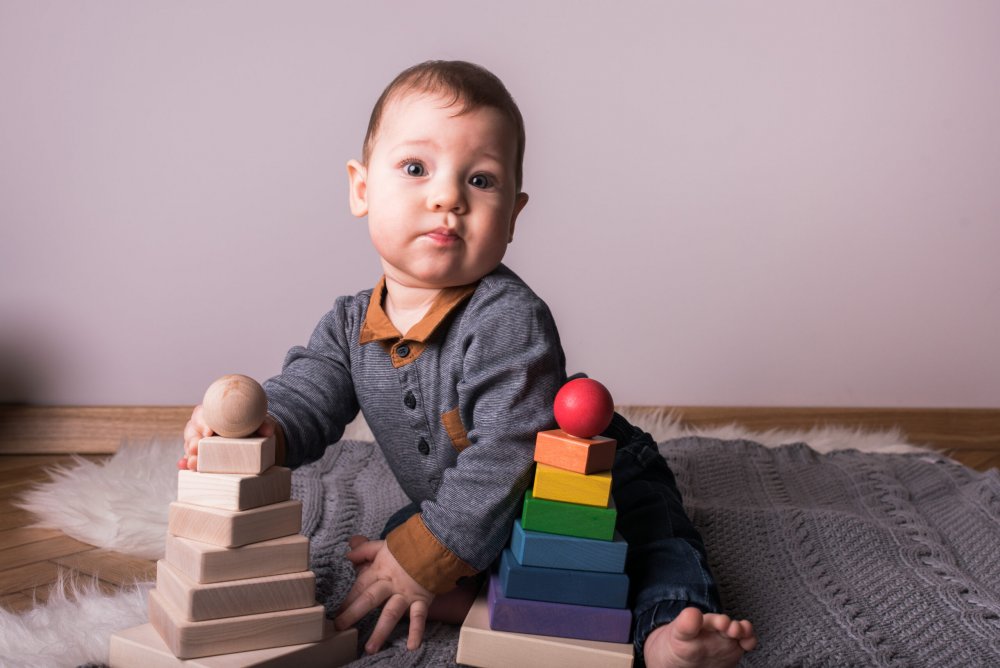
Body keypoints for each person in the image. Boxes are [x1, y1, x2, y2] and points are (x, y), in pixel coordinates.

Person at [181, 60, 756, 667]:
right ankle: (493, 591)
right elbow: (309, 389)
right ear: (361, 189)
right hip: (476, 500)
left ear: (513, 214)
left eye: (480, 181)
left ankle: (673, 631)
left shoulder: (506, 316)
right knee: (405, 536)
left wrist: (427, 552)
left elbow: (510, 448)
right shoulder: (351, 323)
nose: (447, 196)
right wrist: (266, 429)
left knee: (652, 543)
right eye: (415, 168)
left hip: (589, 483)